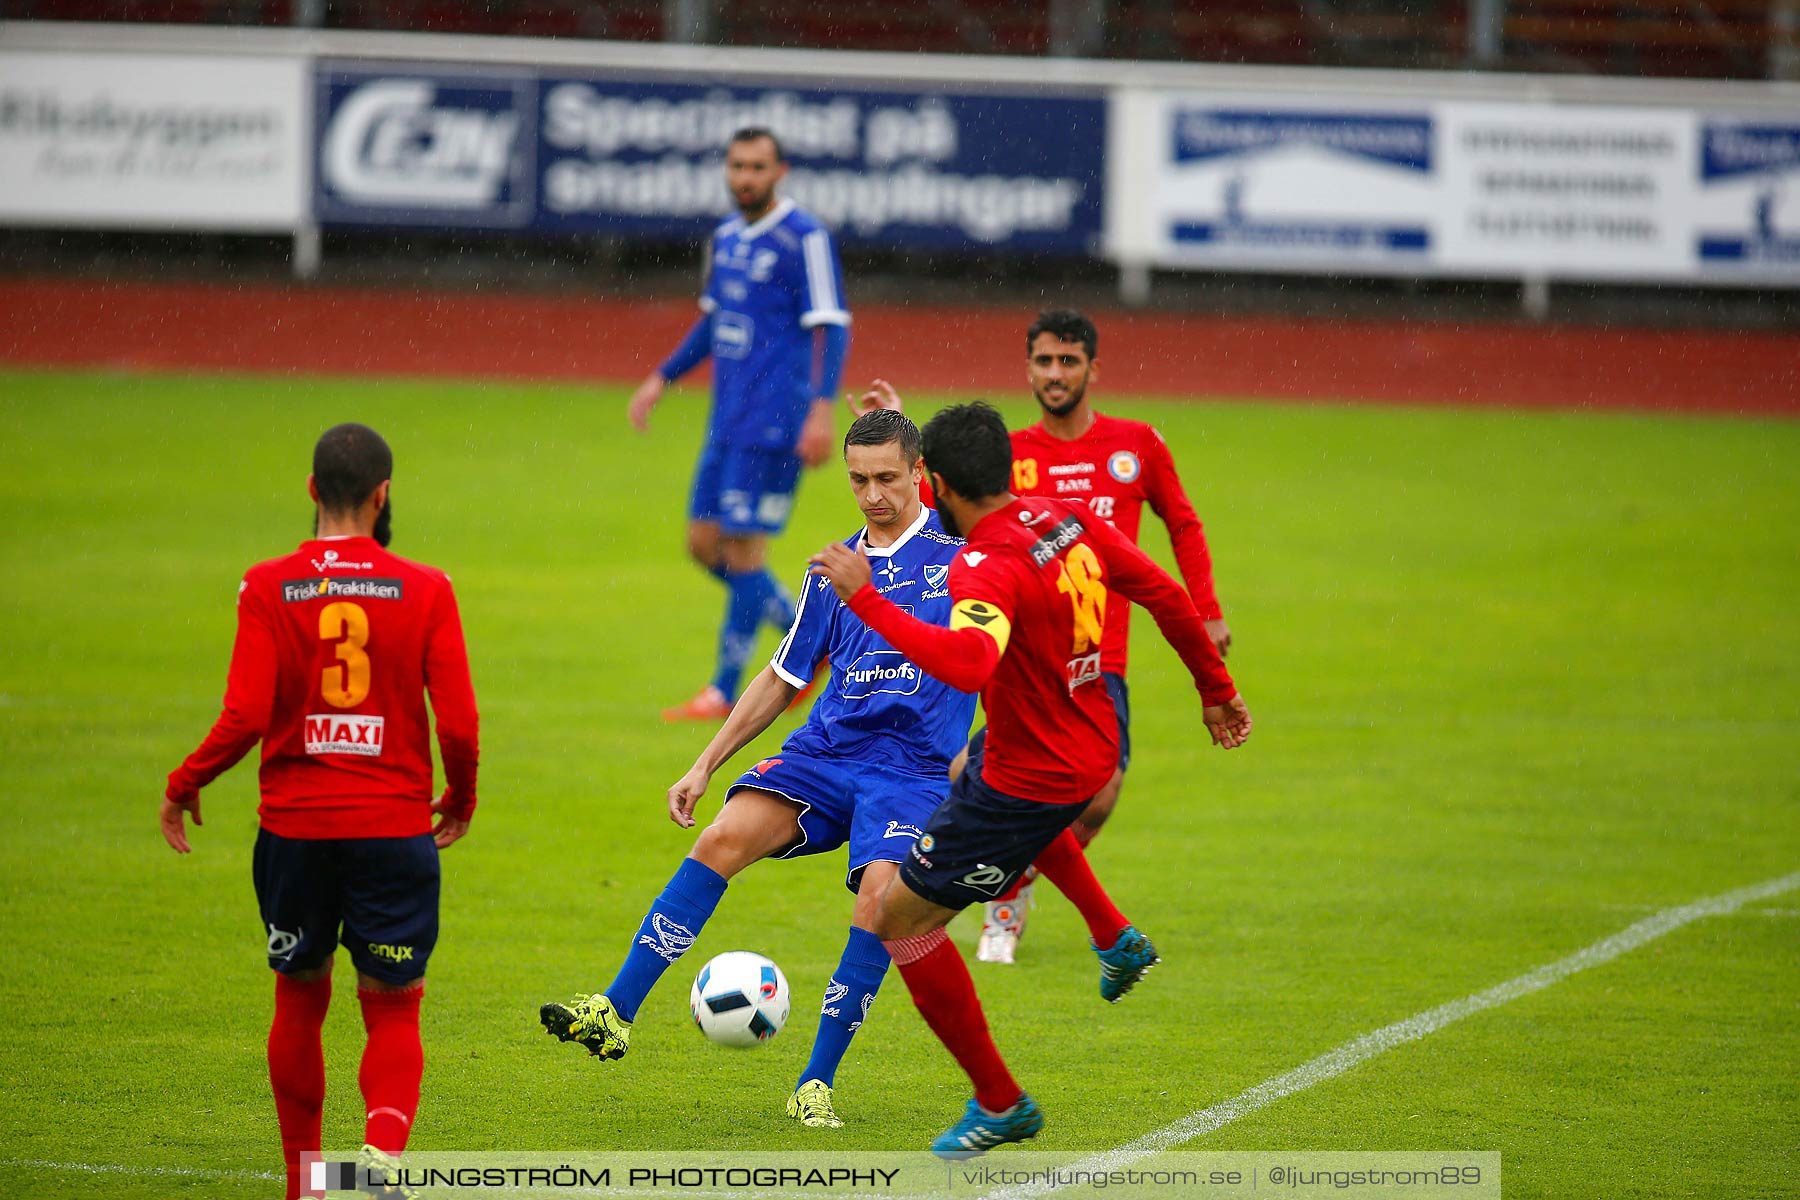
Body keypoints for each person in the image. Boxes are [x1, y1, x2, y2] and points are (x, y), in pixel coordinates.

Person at [810, 401, 1250, 1157]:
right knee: (963, 761)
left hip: (1033, 779)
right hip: (1090, 740)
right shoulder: (1063, 516)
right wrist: (1217, 690)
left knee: (898, 919)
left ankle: (999, 1102)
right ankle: (1115, 935)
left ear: (938, 482)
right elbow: (1165, 593)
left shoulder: (988, 564)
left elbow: (969, 662)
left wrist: (868, 597)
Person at [540, 407, 974, 1131]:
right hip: (827, 753)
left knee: (878, 901)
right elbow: (781, 677)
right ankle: (615, 1010)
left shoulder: (961, 555)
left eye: (888, 479)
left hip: (914, 771)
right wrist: (705, 763)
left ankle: (815, 1083)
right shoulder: (832, 568)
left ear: (919, 475)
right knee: (719, 838)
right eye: (859, 479)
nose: (873, 495)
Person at [850, 309, 1232, 965]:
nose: (1055, 374)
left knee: (1076, 799)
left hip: (1088, 657)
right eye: (1044, 361)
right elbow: (953, 478)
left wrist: (1209, 609)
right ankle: (1091, 925)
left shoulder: (1134, 446)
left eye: (1068, 360)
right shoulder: (1011, 457)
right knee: (985, 771)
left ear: (1092, 368)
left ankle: (1023, 892)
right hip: (1024, 660)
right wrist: (903, 433)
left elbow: (1183, 529)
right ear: (1027, 369)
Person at [161, 423, 480, 1200]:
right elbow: (461, 724)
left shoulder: (269, 585)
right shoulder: (427, 587)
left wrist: (185, 780)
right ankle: (376, 1172)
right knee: (395, 1010)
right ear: (383, 495)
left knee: (299, 999)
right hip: (393, 831)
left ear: (310, 492)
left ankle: (303, 1185)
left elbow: (244, 714)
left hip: (296, 832)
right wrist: (460, 797)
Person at [628, 126, 852, 722]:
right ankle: (819, 638)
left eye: (757, 167)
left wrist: (821, 409)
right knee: (703, 546)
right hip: (725, 420)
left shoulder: (803, 237)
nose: (744, 177)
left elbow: (834, 323)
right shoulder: (725, 238)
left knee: (745, 552)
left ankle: (723, 690)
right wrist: (662, 377)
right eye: (737, 166)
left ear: (780, 172)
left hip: (775, 422)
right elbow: (712, 321)